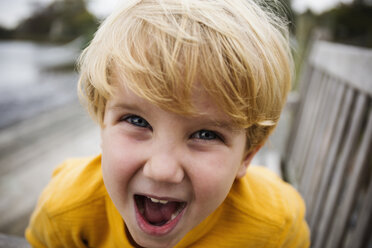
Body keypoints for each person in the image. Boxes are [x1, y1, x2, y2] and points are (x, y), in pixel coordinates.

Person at [25, 0, 310, 247]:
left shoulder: (275, 226)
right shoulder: (65, 209)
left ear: (246, 157)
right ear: (103, 126)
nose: (162, 170)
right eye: (137, 121)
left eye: (206, 134)